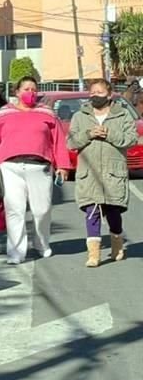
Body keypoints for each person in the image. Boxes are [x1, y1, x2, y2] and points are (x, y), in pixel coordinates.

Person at [0, 76, 70, 265]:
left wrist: (63, 166)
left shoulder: (47, 113)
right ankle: (16, 252)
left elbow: (58, 141)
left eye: (33, 89)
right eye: (26, 89)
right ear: (17, 92)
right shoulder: (2, 113)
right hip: (10, 168)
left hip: (40, 167)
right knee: (15, 210)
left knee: (42, 209)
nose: (30, 93)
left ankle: (42, 244)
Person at [67, 79, 136, 267]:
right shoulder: (80, 116)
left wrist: (109, 134)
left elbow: (131, 139)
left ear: (110, 94)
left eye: (99, 92)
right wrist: (88, 134)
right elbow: (71, 142)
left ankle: (117, 243)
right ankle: (93, 255)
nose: (95, 95)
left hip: (113, 173)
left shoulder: (122, 115)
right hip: (89, 174)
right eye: (92, 92)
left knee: (113, 212)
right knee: (92, 211)